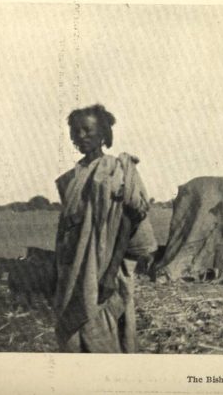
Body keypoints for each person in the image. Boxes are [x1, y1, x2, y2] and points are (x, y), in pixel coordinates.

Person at [53, 104, 157, 353]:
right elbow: (69, 232)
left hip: (107, 270)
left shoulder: (117, 170)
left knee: (106, 335)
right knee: (75, 337)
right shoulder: (70, 179)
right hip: (74, 270)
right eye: (76, 131)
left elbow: (127, 221)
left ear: (103, 134)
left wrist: (109, 274)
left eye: (88, 130)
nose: (81, 136)